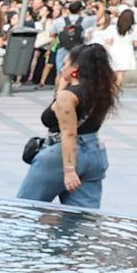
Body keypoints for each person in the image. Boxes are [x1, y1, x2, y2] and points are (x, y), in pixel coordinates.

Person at [17, 41, 117, 210]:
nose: (62, 67)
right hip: (95, 153)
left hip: (62, 155)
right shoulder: (101, 92)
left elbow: (69, 133)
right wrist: (63, 85)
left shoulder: (68, 97)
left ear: (75, 68)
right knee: (82, 217)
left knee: (26, 209)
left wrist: (69, 170)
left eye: (66, 63)